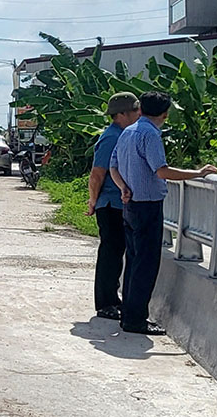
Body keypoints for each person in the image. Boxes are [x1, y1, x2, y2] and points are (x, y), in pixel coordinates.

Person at [109, 91, 217, 335]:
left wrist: (123, 187)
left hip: (130, 204)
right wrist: (198, 173)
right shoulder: (149, 134)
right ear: (165, 114)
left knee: (134, 261)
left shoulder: (128, 131)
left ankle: (128, 315)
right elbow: (162, 171)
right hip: (147, 205)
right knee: (145, 265)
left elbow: (113, 166)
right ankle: (136, 320)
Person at [86, 92, 141, 321]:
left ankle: (112, 298)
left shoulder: (125, 134)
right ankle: (105, 302)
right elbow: (97, 174)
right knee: (110, 253)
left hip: (119, 203)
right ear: (120, 115)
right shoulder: (112, 137)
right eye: (135, 111)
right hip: (109, 204)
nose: (139, 114)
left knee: (117, 253)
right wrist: (92, 202)